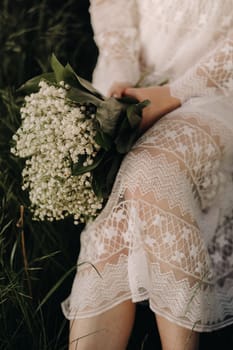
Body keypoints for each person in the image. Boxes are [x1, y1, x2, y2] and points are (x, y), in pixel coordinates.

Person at [62, 1, 233, 349]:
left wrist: (171, 94)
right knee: (124, 192)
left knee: (152, 169)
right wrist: (121, 79)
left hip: (219, 90)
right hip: (140, 83)